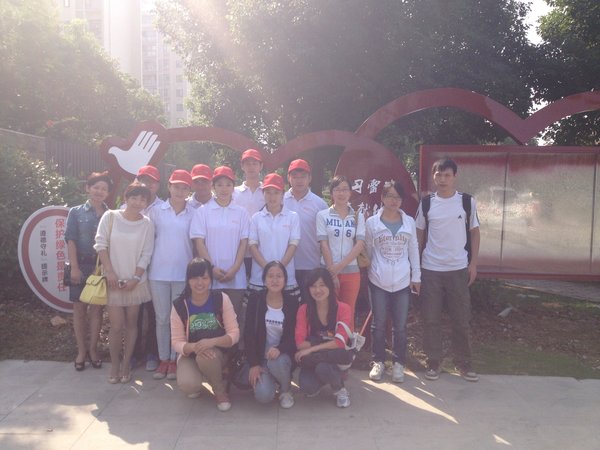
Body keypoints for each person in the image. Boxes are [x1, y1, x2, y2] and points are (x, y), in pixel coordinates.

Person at [415, 157, 480, 382]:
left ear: (454, 177)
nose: (442, 179)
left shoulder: (467, 202)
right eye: (438, 175)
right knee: (431, 319)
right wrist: (416, 267)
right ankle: (433, 362)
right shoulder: (426, 203)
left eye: (447, 175)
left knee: (461, 319)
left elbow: (475, 232)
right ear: (434, 177)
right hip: (430, 269)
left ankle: (464, 363)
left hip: (458, 268)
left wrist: (473, 263)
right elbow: (419, 234)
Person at [95, 182, 154, 384]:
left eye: (143, 199)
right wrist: (110, 272)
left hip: (135, 282)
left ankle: (127, 363)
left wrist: (135, 278)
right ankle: (114, 364)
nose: (138, 202)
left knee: (131, 324)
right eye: (134, 198)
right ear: (126, 198)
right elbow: (100, 244)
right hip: (113, 281)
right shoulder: (110, 216)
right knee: (116, 326)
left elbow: (146, 253)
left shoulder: (147, 223)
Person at [365, 181, 421, 383]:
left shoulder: (409, 222)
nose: (393, 201)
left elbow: (413, 249)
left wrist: (416, 276)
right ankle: (378, 361)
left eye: (397, 197)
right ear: (382, 198)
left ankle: (399, 364)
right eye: (389, 196)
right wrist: (373, 270)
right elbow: (368, 250)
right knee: (378, 324)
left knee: (400, 326)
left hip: (402, 281)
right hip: (377, 280)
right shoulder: (372, 222)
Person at [170, 258, 239, 412]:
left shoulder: (221, 299)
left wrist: (211, 342)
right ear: (188, 280)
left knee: (206, 357)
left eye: (204, 278)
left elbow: (234, 334)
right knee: (189, 386)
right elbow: (176, 342)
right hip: (191, 353)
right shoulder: (179, 305)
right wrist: (195, 347)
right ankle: (204, 375)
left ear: (210, 279)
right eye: (195, 278)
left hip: (218, 352)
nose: (200, 282)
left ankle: (220, 391)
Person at [147, 170, 194, 381]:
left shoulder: (194, 213)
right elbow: (148, 239)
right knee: (162, 318)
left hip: (182, 274)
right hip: (158, 273)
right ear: (169, 187)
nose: (180, 191)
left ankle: (176, 359)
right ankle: (163, 359)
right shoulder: (156, 211)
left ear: (189, 190)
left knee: (179, 319)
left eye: (184, 188)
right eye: (176, 187)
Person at [189, 166, 250, 325]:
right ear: (213, 186)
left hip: (236, 277)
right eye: (220, 184)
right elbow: (199, 242)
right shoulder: (203, 211)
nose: (224, 189)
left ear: (233, 187)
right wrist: (212, 268)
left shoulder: (241, 212)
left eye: (228, 185)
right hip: (209, 276)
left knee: (233, 320)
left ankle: (233, 344)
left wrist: (235, 269)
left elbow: (243, 243)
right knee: (211, 321)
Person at [65, 171, 112, 371]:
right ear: (88, 188)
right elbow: (71, 240)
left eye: (104, 189)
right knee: (79, 310)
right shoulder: (75, 212)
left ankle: (93, 350)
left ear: (108, 193)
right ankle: (81, 351)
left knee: (97, 310)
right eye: (96, 187)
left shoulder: (111, 214)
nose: (99, 191)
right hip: (80, 266)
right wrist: (74, 268)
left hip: (100, 268)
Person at [294, 268, 353, 408]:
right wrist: (327, 344)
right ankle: (328, 376)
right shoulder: (304, 310)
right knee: (308, 387)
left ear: (330, 286)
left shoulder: (343, 308)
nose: (317, 290)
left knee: (324, 367)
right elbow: (300, 344)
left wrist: (311, 348)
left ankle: (340, 389)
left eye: (322, 285)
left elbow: (340, 342)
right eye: (313, 286)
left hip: (333, 356)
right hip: (320, 357)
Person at [244, 261, 298, 408]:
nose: (275, 280)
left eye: (279, 276)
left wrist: (280, 349)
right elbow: (248, 334)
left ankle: (285, 390)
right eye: (270, 276)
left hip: (282, 356)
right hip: (261, 358)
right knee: (263, 396)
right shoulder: (255, 299)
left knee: (277, 362)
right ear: (264, 279)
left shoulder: (292, 302)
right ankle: (272, 379)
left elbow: (294, 337)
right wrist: (254, 364)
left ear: (285, 280)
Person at [316, 175, 365, 325]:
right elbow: (323, 244)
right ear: (332, 192)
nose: (341, 193)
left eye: (345, 189)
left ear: (350, 192)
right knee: (328, 311)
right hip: (327, 271)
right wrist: (332, 271)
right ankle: (328, 339)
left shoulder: (357, 215)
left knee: (348, 312)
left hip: (351, 273)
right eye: (337, 189)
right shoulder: (322, 215)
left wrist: (338, 267)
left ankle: (345, 340)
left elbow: (359, 244)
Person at [247, 173, 301, 303]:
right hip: (259, 278)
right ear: (263, 194)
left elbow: (293, 244)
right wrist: (268, 270)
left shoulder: (292, 217)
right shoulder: (256, 218)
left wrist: (279, 270)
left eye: (276, 192)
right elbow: (252, 246)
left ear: (282, 194)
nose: (272, 197)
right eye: (268, 192)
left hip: (286, 277)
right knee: (257, 313)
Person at [133, 165, 164, 372]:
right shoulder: (127, 205)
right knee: (134, 314)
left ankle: (153, 352)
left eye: (151, 181)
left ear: (157, 185)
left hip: (155, 269)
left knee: (154, 313)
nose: (146, 185)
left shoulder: (163, 208)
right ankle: (134, 353)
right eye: (143, 180)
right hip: (132, 268)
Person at [283, 159, 328, 288]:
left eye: (303, 176)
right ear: (288, 178)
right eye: (295, 176)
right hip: (284, 264)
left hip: (311, 265)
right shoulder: (280, 201)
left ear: (310, 178)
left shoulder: (320, 204)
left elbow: (326, 238)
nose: (299, 180)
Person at [233, 149, 265, 278]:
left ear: (261, 166)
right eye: (247, 164)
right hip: (237, 252)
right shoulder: (233, 192)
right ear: (242, 166)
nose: (251, 167)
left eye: (255, 163)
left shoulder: (268, 192)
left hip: (263, 251)